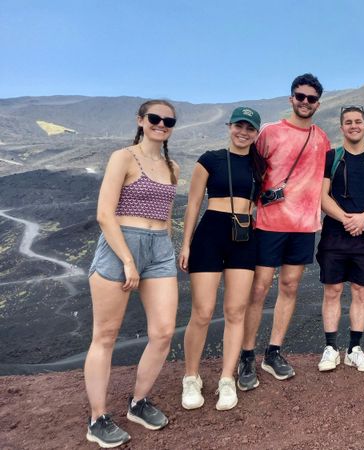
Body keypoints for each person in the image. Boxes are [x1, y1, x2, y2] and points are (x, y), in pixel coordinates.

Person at [83, 100, 180, 448]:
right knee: (106, 335)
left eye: (168, 120)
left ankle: (138, 402)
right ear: (140, 121)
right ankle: (97, 418)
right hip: (120, 245)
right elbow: (105, 214)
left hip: (159, 249)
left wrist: (166, 248)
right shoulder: (122, 157)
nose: (161, 124)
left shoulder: (172, 166)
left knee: (164, 331)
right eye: (154, 118)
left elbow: (166, 214)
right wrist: (127, 259)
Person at [237, 73, 331, 388]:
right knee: (260, 289)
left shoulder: (322, 138)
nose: (305, 102)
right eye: (300, 96)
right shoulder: (269, 133)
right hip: (268, 223)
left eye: (311, 98)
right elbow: (252, 171)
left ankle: (273, 351)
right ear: (291, 98)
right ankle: (246, 355)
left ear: (318, 103)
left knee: (289, 287)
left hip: (304, 226)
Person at [178, 107, 264, 411]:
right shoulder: (209, 159)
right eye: (239, 126)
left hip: (243, 237)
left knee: (236, 311)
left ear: (256, 133)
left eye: (250, 128)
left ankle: (227, 379)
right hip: (210, 234)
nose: (243, 132)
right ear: (229, 127)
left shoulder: (259, 165)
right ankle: (191, 377)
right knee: (202, 311)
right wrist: (186, 244)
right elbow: (192, 204)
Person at [316, 105, 364, 372]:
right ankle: (330, 349)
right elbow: (322, 196)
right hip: (335, 234)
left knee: (361, 291)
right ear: (341, 127)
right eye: (348, 122)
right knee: (332, 290)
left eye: (358, 121)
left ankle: (354, 349)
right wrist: (348, 219)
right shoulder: (330, 158)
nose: (353, 126)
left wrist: (362, 219)